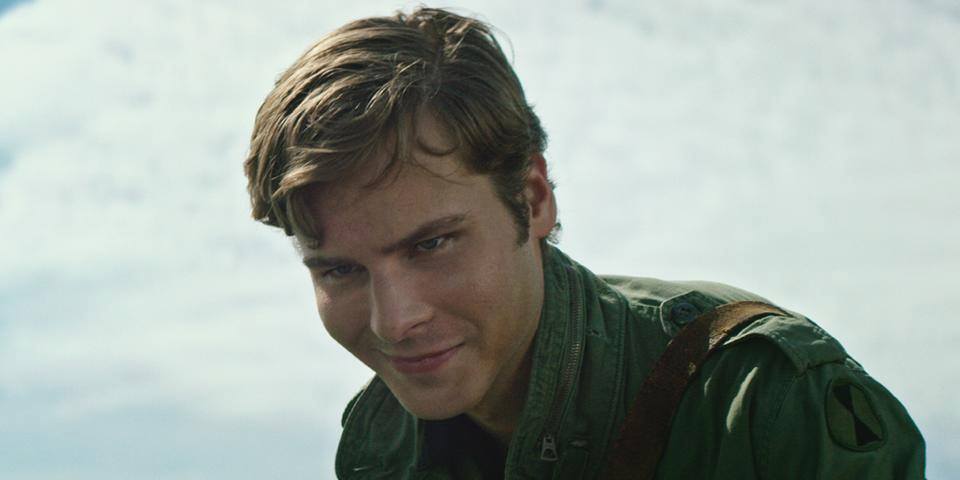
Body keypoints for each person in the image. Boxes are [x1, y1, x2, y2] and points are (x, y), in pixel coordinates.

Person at [242, 7, 925, 479]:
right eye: (338, 271)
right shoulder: (379, 444)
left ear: (533, 199)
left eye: (432, 245)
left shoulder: (759, 406)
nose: (395, 321)